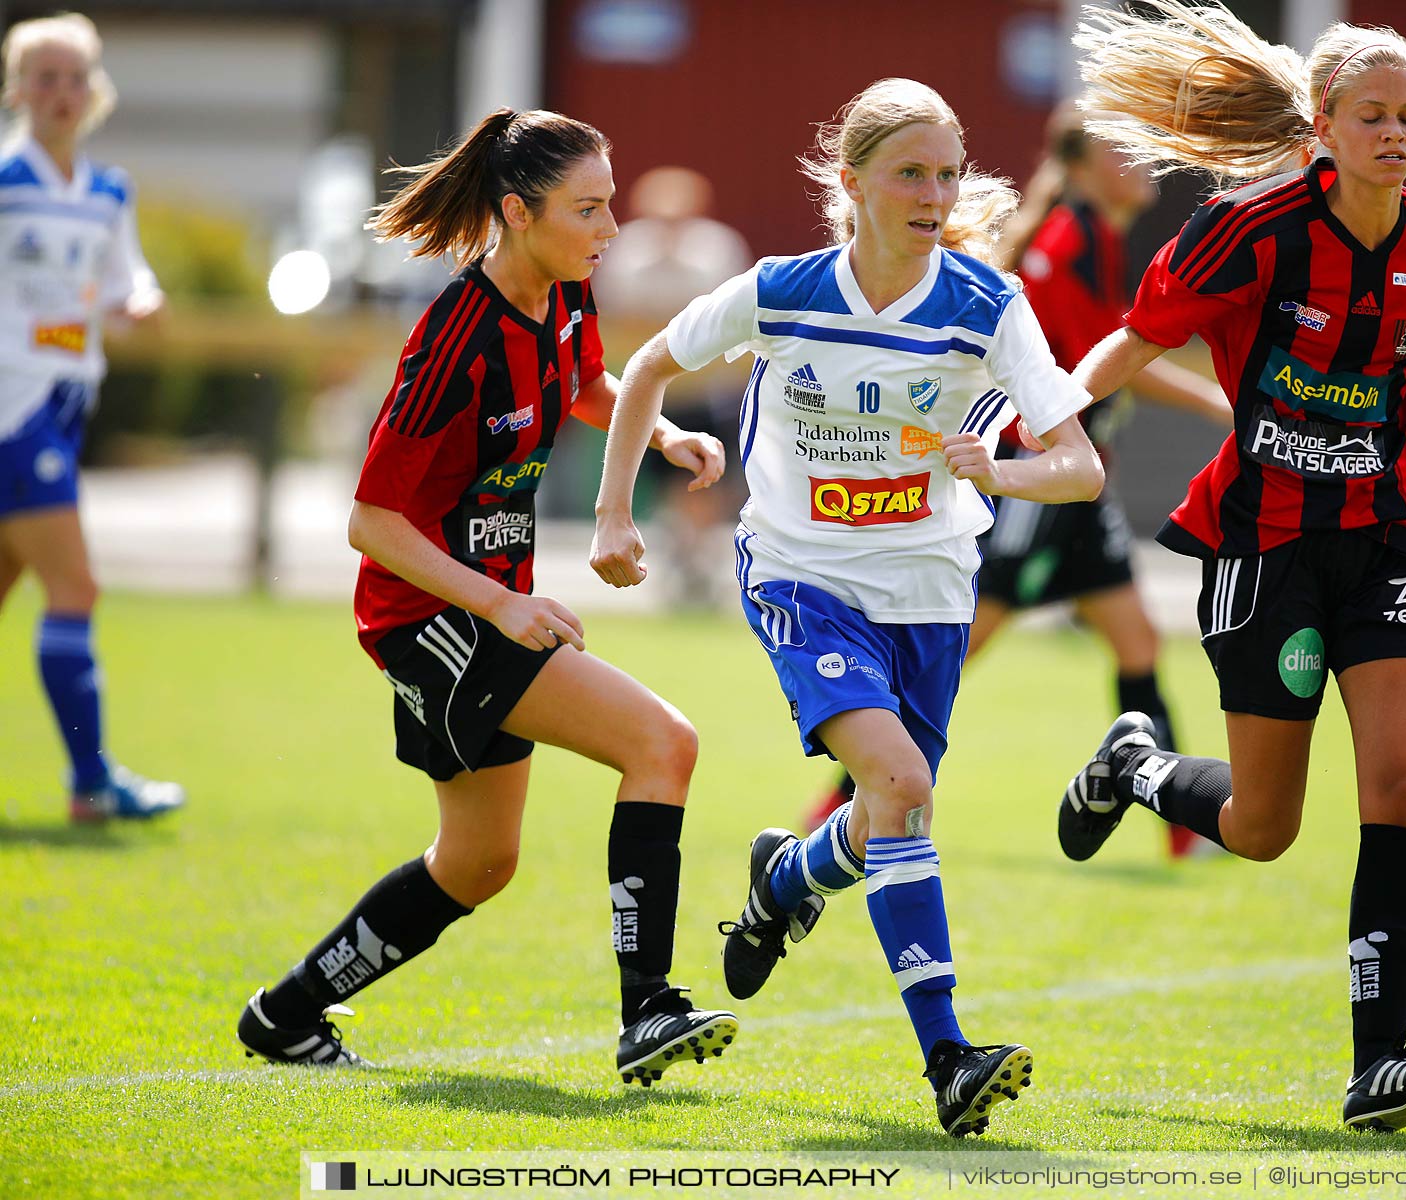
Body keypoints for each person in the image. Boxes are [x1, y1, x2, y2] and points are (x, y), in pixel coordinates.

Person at [1047, 2, 1406, 1132]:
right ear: (1322, 122)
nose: (1397, 133)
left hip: (1382, 542)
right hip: (1265, 544)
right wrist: (1050, 413)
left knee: (1401, 787)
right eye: (1373, 114)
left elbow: (1401, 357)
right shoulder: (1254, 229)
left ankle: (1380, 1063)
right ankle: (1135, 765)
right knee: (1266, 826)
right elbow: (1139, 331)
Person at [589, 79, 1103, 1135]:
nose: (932, 193)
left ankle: (786, 878)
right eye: (909, 172)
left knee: (884, 817)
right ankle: (950, 1058)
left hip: (929, 593)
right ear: (852, 181)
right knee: (903, 785)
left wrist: (1003, 475)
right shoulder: (781, 290)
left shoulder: (986, 304)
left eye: (947, 173)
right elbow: (644, 367)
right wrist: (612, 517)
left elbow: (1081, 467)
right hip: (800, 577)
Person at [235, 108, 737, 1085]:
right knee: (661, 743)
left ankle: (283, 1016)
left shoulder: (566, 293)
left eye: (610, 204)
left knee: (476, 864)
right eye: (587, 208)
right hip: (427, 616)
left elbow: (584, 381)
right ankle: (648, 1011)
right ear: (518, 210)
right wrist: (503, 607)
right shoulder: (453, 342)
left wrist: (664, 436)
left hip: (481, 606)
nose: (610, 229)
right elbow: (372, 524)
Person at [803, 106, 1232, 860]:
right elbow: (1097, 362)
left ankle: (1183, 833)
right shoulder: (1066, 240)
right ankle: (836, 809)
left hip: (1078, 488)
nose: (1145, 164)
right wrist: (1214, 401)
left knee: (1135, 641)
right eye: (1127, 150)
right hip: (1035, 484)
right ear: (1089, 161)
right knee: (957, 649)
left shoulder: (1091, 235)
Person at [0, 13, 183, 823]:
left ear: (94, 89)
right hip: (14, 407)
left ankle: (91, 781)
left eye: (74, 77)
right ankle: (91, 782)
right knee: (75, 586)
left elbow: (124, 278)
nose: (61, 93)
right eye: (44, 77)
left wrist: (141, 299)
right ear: (17, 90)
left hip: (64, 404)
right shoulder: (5, 182)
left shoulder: (108, 190)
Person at [592, 166, 751, 606]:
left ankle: (692, 554)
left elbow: (726, 325)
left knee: (704, 478)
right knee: (669, 478)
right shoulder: (624, 252)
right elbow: (618, 320)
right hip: (651, 392)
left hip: (704, 390)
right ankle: (685, 553)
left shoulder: (717, 250)